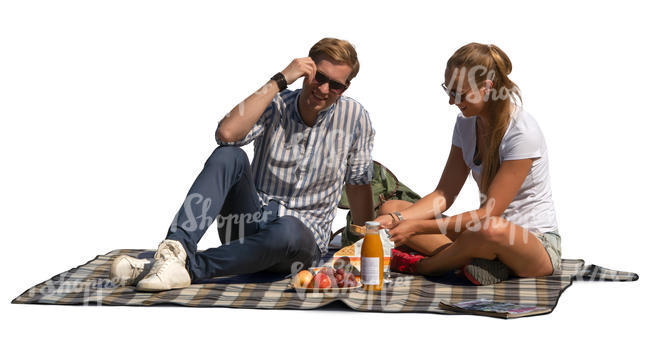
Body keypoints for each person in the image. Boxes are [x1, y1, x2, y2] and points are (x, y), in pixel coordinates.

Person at [110, 38, 375, 291]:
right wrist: (280, 80)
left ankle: (186, 267)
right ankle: (174, 250)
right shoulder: (277, 104)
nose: (324, 89)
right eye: (320, 77)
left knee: (289, 229)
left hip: (298, 241)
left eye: (336, 85)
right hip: (248, 222)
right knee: (229, 155)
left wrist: (368, 245)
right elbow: (226, 134)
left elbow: (358, 184)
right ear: (307, 70)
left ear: (346, 87)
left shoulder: (355, 118)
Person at [375, 43, 561, 285]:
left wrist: (416, 227)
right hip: (480, 235)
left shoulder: (522, 132)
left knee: (491, 229)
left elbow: (488, 214)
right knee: (390, 207)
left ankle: (426, 266)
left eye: (460, 94)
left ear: (487, 87)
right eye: (448, 91)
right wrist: (399, 219)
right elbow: (443, 194)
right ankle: (478, 262)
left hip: (533, 243)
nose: (452, 101)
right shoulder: (465, 123)